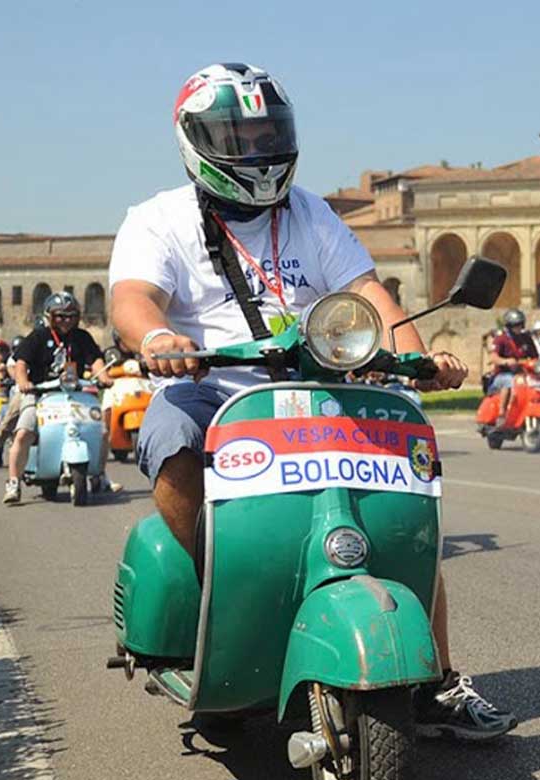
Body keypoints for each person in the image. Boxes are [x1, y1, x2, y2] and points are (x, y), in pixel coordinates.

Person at [106, 63, 511, 739]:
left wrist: (419, 356)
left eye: (267, 132)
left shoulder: (311, 213)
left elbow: (371, 294)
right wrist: (157, 336)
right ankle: (222, 594)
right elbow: (132, 298)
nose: (256, 149)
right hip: (214, 389)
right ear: (196, 141)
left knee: (405, 511)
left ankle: (438, 678)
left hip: (319, 386)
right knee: (170, 427)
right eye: (238, 135)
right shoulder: (158, 220)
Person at [2, 292, 115, 502]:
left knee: (101, 430)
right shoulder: (38, 336)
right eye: (60, 316)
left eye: (71, 316)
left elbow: (96, 359)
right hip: (40, 392)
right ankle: (14, 482)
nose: (66, 321)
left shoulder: (82, 337)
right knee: (24, 432)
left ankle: (99, 473)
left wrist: (104, 376)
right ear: (50, 316)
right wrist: (23, 382)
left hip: (74, 392)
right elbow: (21, 363)